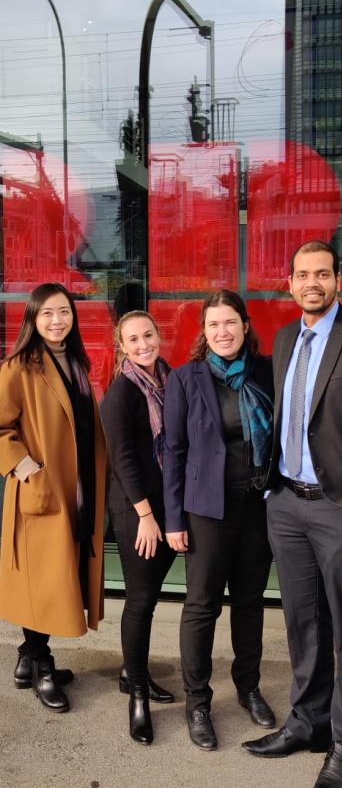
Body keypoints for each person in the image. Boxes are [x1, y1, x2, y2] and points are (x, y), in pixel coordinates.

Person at [242, 240, 342, 788]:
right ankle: (308, 722)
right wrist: (272, 492)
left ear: (339, 281)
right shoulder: (286, 337)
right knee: (301, 622)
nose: (313, 283)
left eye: (323, 274)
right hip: (286, 503)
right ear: (289, 283)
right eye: (303, 275)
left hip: (341, 508)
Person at [163, 290, 275, 750]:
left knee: (250, 601)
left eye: (230, 322)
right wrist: (173, 519)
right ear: (203, 332)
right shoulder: (186, 379)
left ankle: (248, 687)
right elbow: (173, 452)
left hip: (258, 503)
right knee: (202, 603)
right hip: (207, 509)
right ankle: (198, 701)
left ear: (245, 326)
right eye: (213, 325)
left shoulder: (267, 372)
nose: (222, 332)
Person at [0, 282, 107, 713]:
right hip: (43, 490)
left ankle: (27, 660)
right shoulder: (19, 367)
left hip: (76, 485)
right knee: (43, 581)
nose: (57, 320)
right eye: (46, 313)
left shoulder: (78, 362)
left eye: (63, 312)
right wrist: (28, 470)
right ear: (32, 319)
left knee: (59, 574)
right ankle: (41, 663)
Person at [100, 310, 176, 745]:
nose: (143, 343)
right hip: (138, 514)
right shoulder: (121, 394)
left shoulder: (169, 380)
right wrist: (146, 517)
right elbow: (124, 460)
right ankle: (137, 694)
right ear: (122, 346)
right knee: (141, 600)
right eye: (134, 339)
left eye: (148, 334)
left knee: (148, 596)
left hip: (167, 508)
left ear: (159, 336)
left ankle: (136, 672)